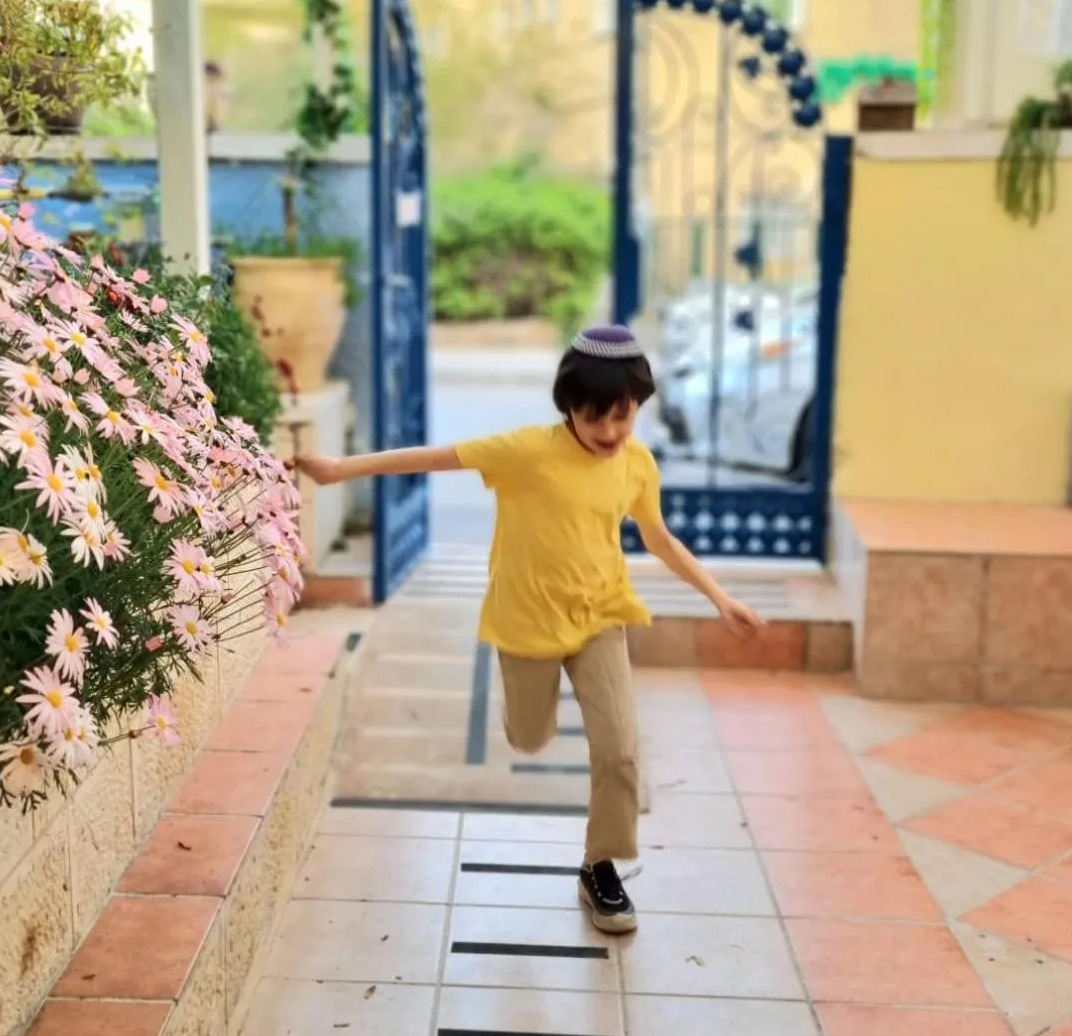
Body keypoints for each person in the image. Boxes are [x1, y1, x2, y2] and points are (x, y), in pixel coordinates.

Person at [296, 324, 764, 933]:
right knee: (530, 737)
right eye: (596, 418)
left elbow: (659, 538)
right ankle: (528, 716)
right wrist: (337, 470)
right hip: (526, 621)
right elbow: (434, 457)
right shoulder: (526, 451)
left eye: (623, 418)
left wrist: (719, 597)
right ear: (568, 404)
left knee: (621, 750)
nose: (610, 433)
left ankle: (599, 867)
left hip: (600, 615)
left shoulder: (637, 463)